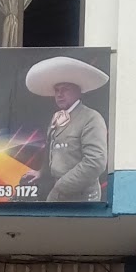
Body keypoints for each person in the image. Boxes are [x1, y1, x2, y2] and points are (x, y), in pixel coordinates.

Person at [24, 55, 109, 202]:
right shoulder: (57, 118)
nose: (59, 94)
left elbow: (95, 162)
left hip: (81, 197)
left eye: (65, 89)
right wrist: (42, 172)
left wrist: (61, 186)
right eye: (57, 90)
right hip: (60, 192)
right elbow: (53, 148)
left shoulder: (91, 118)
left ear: (78, 91)